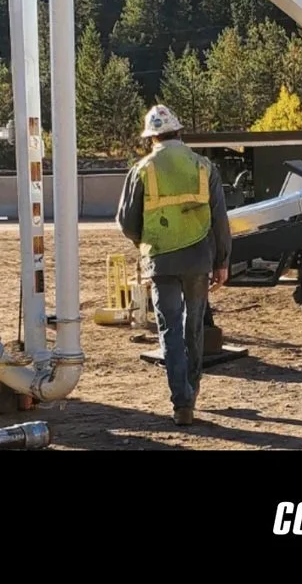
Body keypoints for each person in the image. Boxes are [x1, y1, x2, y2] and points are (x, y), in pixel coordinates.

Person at [117, 105, 230, 425]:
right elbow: (221, 221)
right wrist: (222, 261)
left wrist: (147, 242)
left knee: (169, 329)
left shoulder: (142, 169)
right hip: (198, 259)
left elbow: (126, 222)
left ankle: (181, 403)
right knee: (193, 326)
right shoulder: (204, 166)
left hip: (161, 260)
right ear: (179, 132)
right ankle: (192, 390)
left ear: (151, 137)